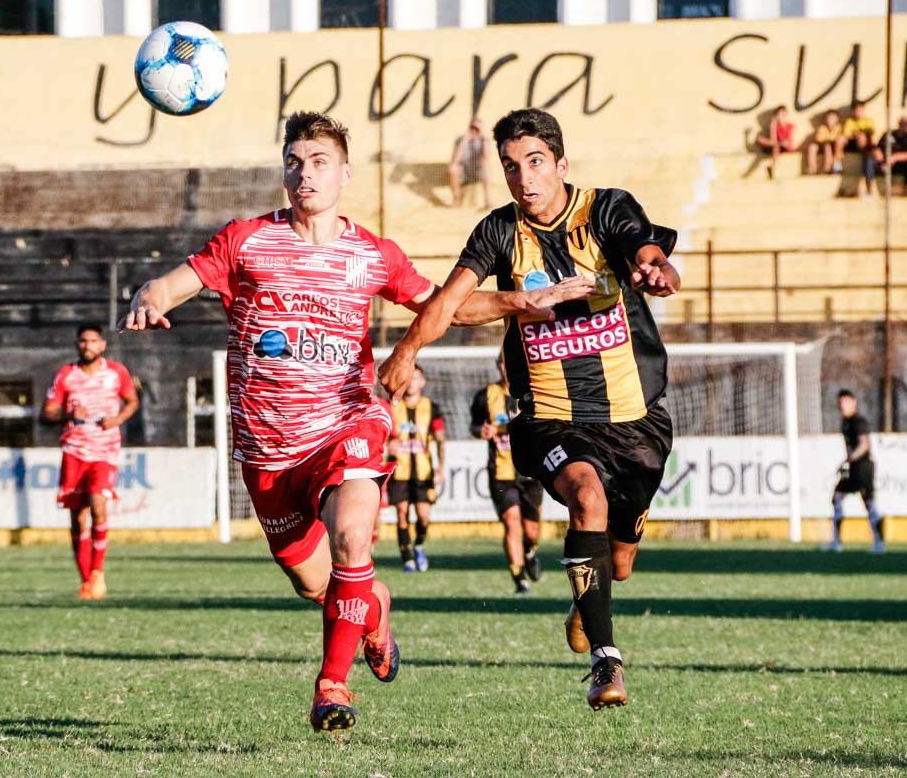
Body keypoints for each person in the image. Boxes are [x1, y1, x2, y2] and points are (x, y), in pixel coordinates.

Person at [118, 111, 591, 731]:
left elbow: (445, 306)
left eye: (319, 162)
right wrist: (149, 296)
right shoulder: (246, 240)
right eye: (294, 162)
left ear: (345, 173)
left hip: (348, 422)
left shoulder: (372, 254)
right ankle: (373, 611)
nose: (305, 174)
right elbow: (174, 284)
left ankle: (332, 687)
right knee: (314, 584)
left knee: (352, 538)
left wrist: (517, 300)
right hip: (267, 448)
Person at [379, 107, 679, 711]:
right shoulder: (498, 231)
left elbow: (644, 247)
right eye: (511, 166)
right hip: (548, 415)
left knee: (620, 565)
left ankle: (588, 599)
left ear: (561, 164)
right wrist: (407, 349)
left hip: (634, 418)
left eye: (536, 162)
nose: (524, 178)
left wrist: (657, 266)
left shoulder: (604, 209)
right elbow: (449, 303)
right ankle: (606, 663)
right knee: (586, 498)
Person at [41, 324, 140, 601]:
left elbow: (132, 401)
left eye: (93, 341)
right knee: (77, 518)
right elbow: (47, 413)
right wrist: (68, 415)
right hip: (74, 453)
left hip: (105, 452)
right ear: (77, 344)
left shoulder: (116, 372)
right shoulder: (66, 374)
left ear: (102, 344)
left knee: (98, 505)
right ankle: (86, 580)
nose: (88, 346)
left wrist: (117, 420)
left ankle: (97, 571)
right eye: (83, 341)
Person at [470, 353, 543, 594]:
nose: (507, 366)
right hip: (500, 473)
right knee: (511, 522)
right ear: (498, 366)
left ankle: (529, 552)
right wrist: (480, 430)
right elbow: (475, 425)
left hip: (530, 473)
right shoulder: (485, 395)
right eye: (503, 362)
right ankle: (519, 579)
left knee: (532, 532)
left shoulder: (534, 393)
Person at [386, 366, 445, 572]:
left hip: (423, 471)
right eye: (409, 378)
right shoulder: (391, 406)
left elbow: (440, 439)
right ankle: (407, 558)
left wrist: (441, 467)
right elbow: (380, 434)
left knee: (424, 516)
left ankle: (419, 544)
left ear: (423, 382)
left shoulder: (432, 407)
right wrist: (387, 445)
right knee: (402, 513)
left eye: (416, 378)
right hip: (399, 470)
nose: (412, 382)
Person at [825, 389, 885, 554]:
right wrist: (846, 462)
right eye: (840, 402)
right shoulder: (845, 423)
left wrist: (850, 459)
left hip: (863, 467)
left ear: (853, 402)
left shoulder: (858, 421)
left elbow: (864, 445)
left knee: (869, 502)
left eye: (845, 402)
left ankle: (879, 543)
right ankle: (836, 542)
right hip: (852, 467)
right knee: (836, 496)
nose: (842, 405)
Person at [866, 117, 907, 196]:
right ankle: (869, 190)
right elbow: (878, 147)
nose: (904, 126)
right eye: (902, 124)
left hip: (899, 165)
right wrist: (878, 153)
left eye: (906, 124)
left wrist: (894, 158)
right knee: (869, 160)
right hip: (883, 162)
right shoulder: (888, 134)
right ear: (899, 124)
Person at [449, 117, 492, 207]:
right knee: (453, 168)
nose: (474, 131)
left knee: (486, 164)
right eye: (472, 127)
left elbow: (486, 157)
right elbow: (455, 160)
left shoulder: (484, 139)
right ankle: (457, 199)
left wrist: (483, 139)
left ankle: (487, 199)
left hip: (478, 171)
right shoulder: (460, 140)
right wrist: (464, 141)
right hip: (463, 172)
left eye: (477, 129)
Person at [836, 102, 876, 193]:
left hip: (865, 144)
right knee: (840, 139)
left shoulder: (868, 121)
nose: (858, 112)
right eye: (856, 110)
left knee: (862, 137)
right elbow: (846, 134)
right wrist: (856, 134)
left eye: (860, 110)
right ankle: (837, 163)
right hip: (852, 143)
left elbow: (871, 133)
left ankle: (865, 155)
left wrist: (859, 134)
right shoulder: (850, 121)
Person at [755, 105, 796, 179]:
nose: (780, 117)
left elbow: (788, 142)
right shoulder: (775, 126)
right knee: (761, 139)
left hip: (784, 146)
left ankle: (772, 167)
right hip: (775, 145)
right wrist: (773, 126)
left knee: (775, 147)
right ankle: (771, 167)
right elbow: (773, 139)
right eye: (778, 115)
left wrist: (778, 143)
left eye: (783, 115)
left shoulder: (790, 126)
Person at [806, 108, 842, 175]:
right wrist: (828, 139)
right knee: (812, 147)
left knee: (827, 146)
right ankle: (812, 168)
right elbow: (819, 139)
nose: (831, 120)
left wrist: (828, 139)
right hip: (822, 145)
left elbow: (838, 138)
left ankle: (827, 167)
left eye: (833, 118)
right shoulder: (822, 128)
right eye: (829, 118)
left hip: (833, 146)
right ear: (825, 119)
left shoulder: (839, 128)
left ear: (837, 119)